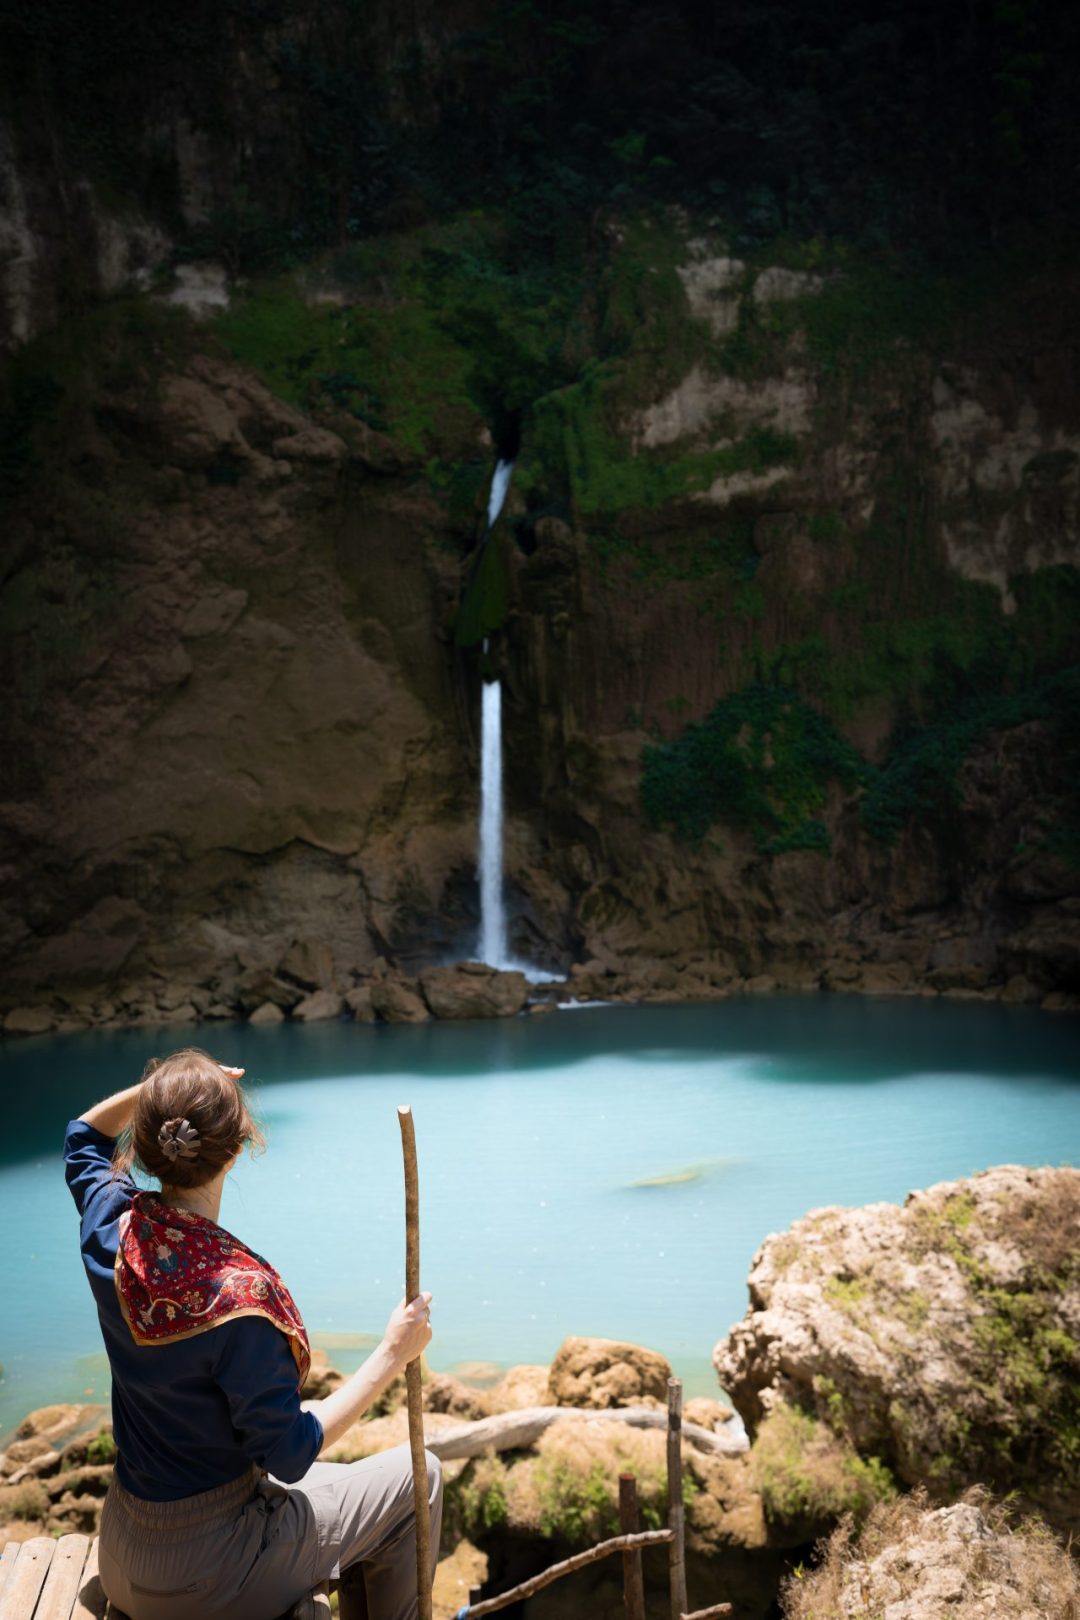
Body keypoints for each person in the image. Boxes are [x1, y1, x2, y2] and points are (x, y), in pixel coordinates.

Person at [63, 1046, 442, 1620]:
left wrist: (166, 1091)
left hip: (122, 1554)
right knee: (422, 1478)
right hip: (212, 1575)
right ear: (237, 1151)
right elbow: (289, 1456)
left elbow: (83, 1137)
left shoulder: (108, 1231)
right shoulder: (239, 1300)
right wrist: (392, 1354)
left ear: (143, 1140)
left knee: (347, 1483)